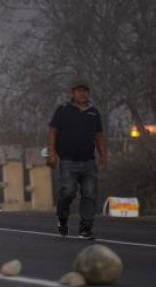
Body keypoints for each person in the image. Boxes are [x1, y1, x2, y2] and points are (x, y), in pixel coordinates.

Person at [46, 79, 107, 239]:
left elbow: (99, 136)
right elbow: (52, 132)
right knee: (67, 192)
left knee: (90, 193)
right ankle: (62, 218)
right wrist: (51, 153)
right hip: (68, 160)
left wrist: (103, 156)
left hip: (88, 161)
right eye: (79, 91)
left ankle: (85, 227)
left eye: (85, 91)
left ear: (88, 93)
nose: (82, 94)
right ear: (72, 93)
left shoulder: (94, 112)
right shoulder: (63, 110)